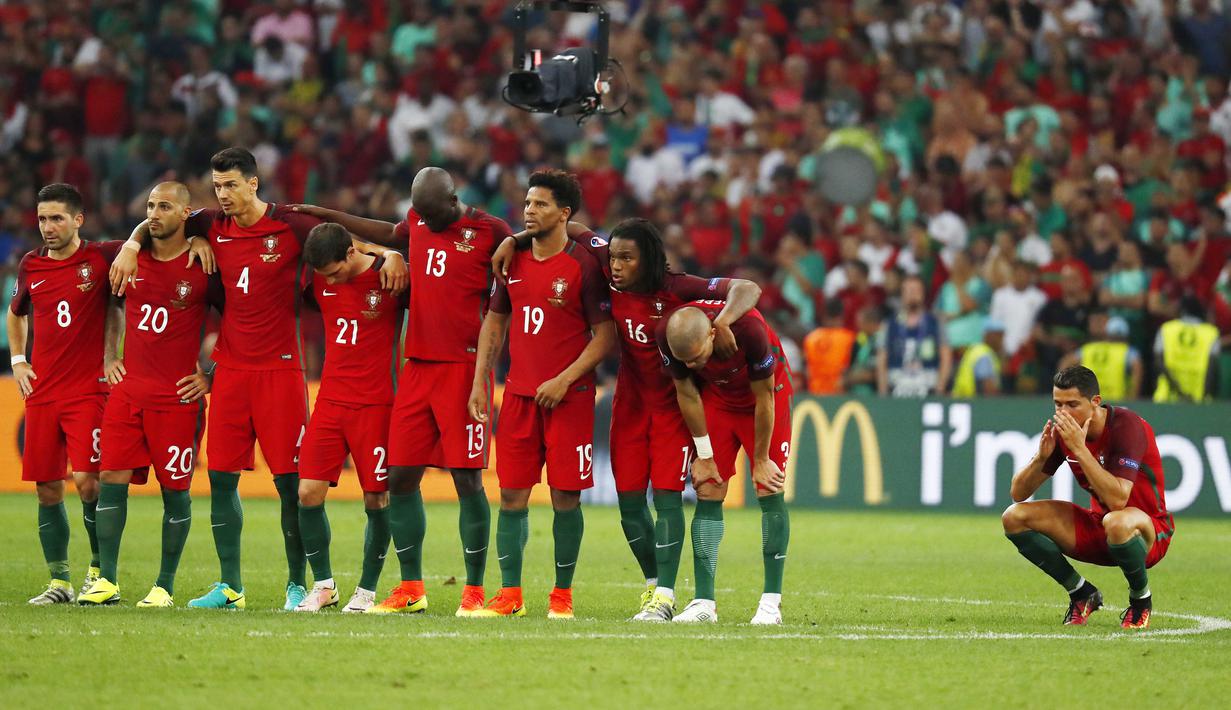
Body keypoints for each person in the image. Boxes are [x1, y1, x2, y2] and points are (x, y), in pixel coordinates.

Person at [108, 147, 406, 610]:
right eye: (217, 185)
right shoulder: (209, 224)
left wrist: (388, 253)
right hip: (229, 372)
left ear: (253, 183)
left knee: (292, 485)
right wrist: (131, 244)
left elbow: (343, 240)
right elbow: (161, 218)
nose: (222, 194)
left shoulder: (288, 223)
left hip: (280, 372)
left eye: (230, 185)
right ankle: (231, 586)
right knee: (222, 480)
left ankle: (296, 584)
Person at [289, 167, 513, 617]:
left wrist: (518, 240)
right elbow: (390, 233)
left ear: (454, 200)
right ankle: (411, 586)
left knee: (466, 478)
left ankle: (473, 590)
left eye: (432, 216)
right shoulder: (416, 224)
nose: (424, 225)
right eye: (419, 220)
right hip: (417, 369)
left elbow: (512, 291)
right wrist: (328, 214)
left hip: (464, 367)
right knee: (400, 477)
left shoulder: (492, 231)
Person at [467, 169, 615, 619]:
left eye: (541, 205)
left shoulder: (584, 265)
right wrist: (480, 380)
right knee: (511, 496)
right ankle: (509, 595)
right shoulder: (510, 259)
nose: (529, 211)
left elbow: (605, 335)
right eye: (527, 203)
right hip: (517, 397)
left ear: (564, 213)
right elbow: (495, 321)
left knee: (565, 498)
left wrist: (565, 379)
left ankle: (561, 597)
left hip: (568, 398)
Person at [605, 218, 762, 621]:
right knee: (628, 505)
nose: (617, 265)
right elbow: (570, 228)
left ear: (649, 259)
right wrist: (516, 237)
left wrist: (723, 320)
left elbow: (747, 289)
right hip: (629, 407)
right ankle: (654, 584)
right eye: (613, 256)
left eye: (627, 258)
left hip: (675, 407)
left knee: (668, 499)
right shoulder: (607, 283)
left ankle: (664, 596)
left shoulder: (679, 287)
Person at [82, 182, 220, 607]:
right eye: (149, 206)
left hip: (177, 397)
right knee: (110, 480)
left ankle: (164, 585)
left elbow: (240, 317)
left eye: (164, 206)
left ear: (185, 213)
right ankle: (106, 580)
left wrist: (211, 373)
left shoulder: (204, 264)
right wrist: (110, 354)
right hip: (128, 391)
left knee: (175, 491)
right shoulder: (131, 259)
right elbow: (114, 305)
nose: (154, 213)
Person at [8, 183, 124, 604]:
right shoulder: (31, 265)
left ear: (78, 219)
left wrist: (112, 354)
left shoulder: (101, 256)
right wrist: (19, 359)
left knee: (88, 482)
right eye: (42, 218)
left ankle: (99, 573)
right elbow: (15, 312)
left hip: (88, 391)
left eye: (56, 217)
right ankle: (59, 582)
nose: (47, 226)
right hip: (42, 392)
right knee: (47, 488)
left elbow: (117, 303)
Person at [1002, 366, 1174, 629]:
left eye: (1072, 404)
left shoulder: (1127, 427)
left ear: (1095, 402)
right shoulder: (1064, 432)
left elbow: (1118, 500)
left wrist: (1080, 450)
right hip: (1101, 527)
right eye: (1057, 404)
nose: (1063, 413)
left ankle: (1141, 600)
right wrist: (1041, 457)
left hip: (1149, 534)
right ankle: (1082, 593)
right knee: (1014, 517)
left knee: (1116, 521)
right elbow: (1019, 493)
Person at [294, 223, 407, 612]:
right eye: (322, 275)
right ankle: (324, 585)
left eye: (335, 271)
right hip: (330, 402)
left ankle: (366, 591)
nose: (329, 280)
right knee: (307, 493)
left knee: (376, 498)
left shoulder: (389, 278)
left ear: (349, 254)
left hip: (376, 405)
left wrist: (393, 255)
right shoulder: (321, 278)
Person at [656, 303, 792, 625]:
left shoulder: (749, 331)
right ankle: (704, 602)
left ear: (713, 333)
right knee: (708, 486)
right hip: (719, 399)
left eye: (696, 356)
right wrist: (704, 455)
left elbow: (765, 397)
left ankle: (771, 604)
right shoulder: (667, 335)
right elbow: (687, 393)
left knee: (768, 486)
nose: (691, 364)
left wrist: (760, 459)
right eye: (685, 360)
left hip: (768, 398)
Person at [877, 274, 952, 397]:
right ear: (902, 294)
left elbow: (946, 357)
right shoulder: (889, 324)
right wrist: (883, 392)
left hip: (928, 385)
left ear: (923, 294)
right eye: (909, 290)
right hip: (897, 386)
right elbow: (882, 359)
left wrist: (940, 390)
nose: (912, 294)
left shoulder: (935, 322)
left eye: (916, 290)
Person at [1153, 296, 1220, 403]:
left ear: (1182, 310)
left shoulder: (1166, 329)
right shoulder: (1211, 333)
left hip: (1167, 398)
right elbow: (1212, 368)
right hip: (1200, 398)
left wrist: (1178, 391)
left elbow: (1159, 362)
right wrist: (1203, 394)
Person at [1063, 313, 1142, 401]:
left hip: (1090, 401)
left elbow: (1065, 363)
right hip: (1116, 403)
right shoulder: (1128, 351)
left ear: (1107, 334)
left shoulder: (1089, 349)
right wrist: (1132, 397)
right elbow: (1137, 368)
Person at [802, 300, 857, 395]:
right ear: (841, 316)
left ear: (824, 316)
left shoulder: (810, 338)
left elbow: (806, 369)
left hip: (815, 393)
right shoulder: (849, 338)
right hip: (838, 394)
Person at [950, 319, 1003, 397]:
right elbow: (987, 388)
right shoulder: (983, 354)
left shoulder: (977, 350)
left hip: (963, 401)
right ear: (989, 335)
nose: (1001, 340)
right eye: (999, 335)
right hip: (970, 402)